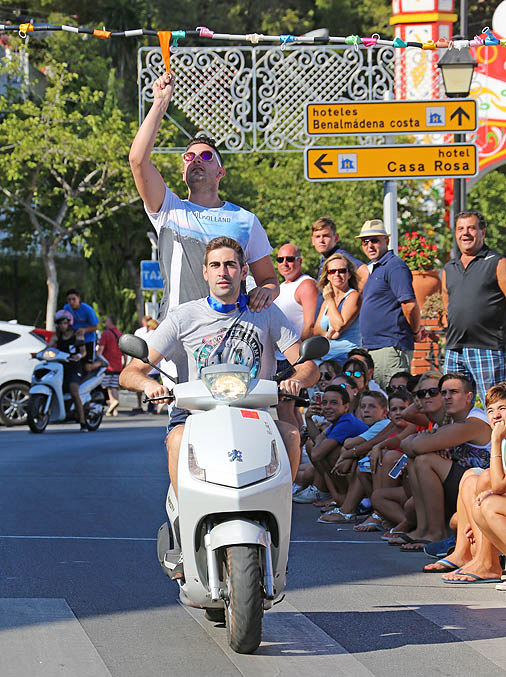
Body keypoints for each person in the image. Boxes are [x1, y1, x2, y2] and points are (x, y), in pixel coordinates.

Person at [119, 237, 319, 579]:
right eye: (215, 265)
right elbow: (130, 371)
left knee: (290, 435)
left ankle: (280, 527)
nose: (223, 272)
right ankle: (184, 533)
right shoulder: (184, 316)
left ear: (244, 271)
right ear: (205, 272)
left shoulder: (266, 312)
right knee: (177, 440)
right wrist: (151, 385)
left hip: (254, 412)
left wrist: (297, 379)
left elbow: (307, 364)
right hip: (197, 414)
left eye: (230, 265)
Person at [129, 71, 279, 324]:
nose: (197, 159)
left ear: (220, 172)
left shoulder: (245, 219)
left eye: (207, 156)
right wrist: (160, 104)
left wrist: (267, 291)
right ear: (183, 171)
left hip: (230, 335)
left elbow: (269, 280)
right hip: (176, 335)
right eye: (189, 157)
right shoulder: (169, 209)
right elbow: (137, 160)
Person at [398, 373, 491, 551]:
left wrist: (427, 443)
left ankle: (436, 532)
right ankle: (423, 529)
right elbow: (408, 445)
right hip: (466, 485)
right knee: (417, 460)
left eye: (454, 392)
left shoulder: (474, 422)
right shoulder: (453, 421)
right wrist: (428, 443)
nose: (447, 397)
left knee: (425, 460)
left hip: (483, 489)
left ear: (469, 397)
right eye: (444, 392)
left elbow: (417, 446)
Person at [442, 210, 506, 405]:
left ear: (482, 232)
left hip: (488, 347)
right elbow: (447, 300)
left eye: (471, 228)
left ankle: (499, 438)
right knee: (454, 408)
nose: (466, 233)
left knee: (495, 406)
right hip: (454, 349)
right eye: (461, 229)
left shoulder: (497, 262)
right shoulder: (449, 267)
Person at [356, 219, 423, 390]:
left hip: (390, 348)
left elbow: (409, 304)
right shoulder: (376, 268)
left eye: (375, 240)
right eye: (365, 241)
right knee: (379, 404)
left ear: (386, 240)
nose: (369, 245)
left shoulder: (394, 266)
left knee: (394, 402)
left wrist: (415, 331)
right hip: (376, 348)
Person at [274, 242, 318, 427]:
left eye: (290, 259)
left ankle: (294, 452)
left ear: (299, 261)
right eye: (280, 259)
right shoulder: (281, 286)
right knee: (289, 409)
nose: (285, 263)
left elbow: (310, 323)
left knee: (285, 408)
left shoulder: (306, 284)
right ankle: (300, 449)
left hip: (294, 356)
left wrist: (301, 357)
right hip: (278, 356)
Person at [314, 254, 361, 364]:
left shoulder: (353, 296)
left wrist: (330, 300)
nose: (337, 274)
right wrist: (328, 334)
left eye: (342, 271)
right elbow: (316, 330)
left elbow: (339, 325)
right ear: (327, 276)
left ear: (349, 274)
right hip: (327, 358)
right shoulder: (326, 301)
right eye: (332, 271)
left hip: (347, 357)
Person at [48, 310, 87, 431]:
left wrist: (78, 356)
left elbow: (83, 351)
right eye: (60, 323)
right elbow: (48, 347)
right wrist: (39, 353)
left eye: (65, 323)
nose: (63, 326)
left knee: (73, 390)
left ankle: (82, 421)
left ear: (69, 323)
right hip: (60, 367)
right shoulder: (57, 335)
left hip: (74, 367)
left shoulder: (77, 334)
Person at [130, 316, 159, 414]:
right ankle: (152, 407)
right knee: (153, 384)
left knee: (145, 385)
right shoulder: (157, 333)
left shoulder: (144, 333)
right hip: (155, 365)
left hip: (144, 363)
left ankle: (144, 405)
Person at [97, 315, 125, 417]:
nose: (105, 323)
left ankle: (113, 402)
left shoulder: (106, 334)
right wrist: (125, 363)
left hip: (108, 364)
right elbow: (124, 351)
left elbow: (101, 349)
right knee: (114, 386)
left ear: (110, 322)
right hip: (118, 364)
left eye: (107, 321)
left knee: (108, 385)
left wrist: (96, 358)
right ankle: (115, 409)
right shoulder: (119, 333)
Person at [64, 289, 99, 366]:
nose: (71, 302)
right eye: (69, 300)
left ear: (78, 299)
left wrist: (84, 330)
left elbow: (96, 327)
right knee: (75, 362)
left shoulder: (88, 310)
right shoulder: (66, 308)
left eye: (74, 299)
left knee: (87, 366)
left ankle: (100, 363)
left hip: (88, 340)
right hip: (75, 339)